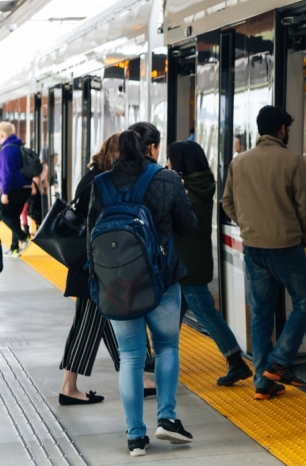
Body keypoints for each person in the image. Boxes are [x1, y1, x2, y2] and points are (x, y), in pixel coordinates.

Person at [88, 123, 198, 456]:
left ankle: (135, 437)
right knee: (167, 347)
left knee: (131, 357)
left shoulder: (101, 183)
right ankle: (166, 418)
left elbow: (91, 236)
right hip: (162, 282)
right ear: (147, 149)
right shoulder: (166, 179)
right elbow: (188, 226)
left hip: (119, 286)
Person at [222, 105, 306, 400]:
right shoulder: (292, 160)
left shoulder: (240, 162)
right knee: (304, 301)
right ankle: (279, 361)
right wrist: (305, 234)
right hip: (286, 246)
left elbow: (227, 202)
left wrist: (248, 225)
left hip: (254, 247)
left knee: (261, 312)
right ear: (282, 130)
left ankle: (263, 382)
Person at [60, 134, 156, 406]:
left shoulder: (94, 176)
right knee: (88, 325)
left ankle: (141, 378)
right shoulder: (103, 182)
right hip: (97, 268)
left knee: (114, 319)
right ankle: (68, 387)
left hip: (98, 265)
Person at [167, 140, 252, 386]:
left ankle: (236, 360)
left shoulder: (186, 192)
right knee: (175, 312)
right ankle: (159, 357)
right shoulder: (199, 185)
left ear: (182, 163)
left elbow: (177, 221)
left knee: (205, 312)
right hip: (192, 258)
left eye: (172, 159)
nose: (168, 164)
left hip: (189, 262)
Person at [0, 121, 32, 256]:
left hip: (13, 189)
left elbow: (7, 173)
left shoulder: (6, 149)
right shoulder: (19, 146)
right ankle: (14, 247)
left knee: (3, 214)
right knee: (13, 216)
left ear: (2, 134)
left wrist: (5, 192)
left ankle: (23, 237)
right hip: (25, 188)